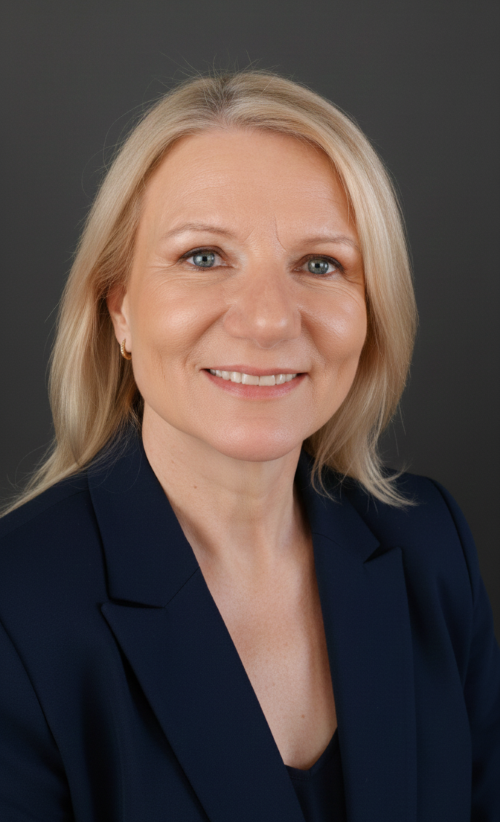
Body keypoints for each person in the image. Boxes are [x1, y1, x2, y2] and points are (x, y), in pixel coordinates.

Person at [0, 69, 498, 822]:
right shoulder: (15, 607)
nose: (268, 320)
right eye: (204, 256)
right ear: (120, 310)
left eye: (320, 264)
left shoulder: (430, 542)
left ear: (371, 313)